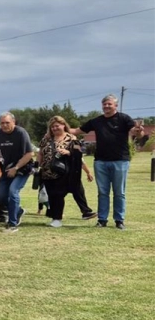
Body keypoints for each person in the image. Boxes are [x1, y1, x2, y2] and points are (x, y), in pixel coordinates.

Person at [71, 94, 144, 229]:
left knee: (119, 192)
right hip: (100, 162)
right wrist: (57, 128)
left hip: (120, 161)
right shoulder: (96, 121)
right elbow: (76, 131)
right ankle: (102, 220)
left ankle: (119, 220)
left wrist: (138, 131)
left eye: (109, 104)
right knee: (103, 192)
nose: (106, 106)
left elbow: (136, 132)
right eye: (104, 104)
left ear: (115, 105)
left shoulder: (124, 118)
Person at [0, 112, 34, 233]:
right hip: (7, 168)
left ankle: (12, 224)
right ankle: (18, 211)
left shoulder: (21, 133)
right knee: (2, 196)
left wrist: (16, 168)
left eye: (7, 123)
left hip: (22, 168)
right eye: (2, 123)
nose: (4, 125)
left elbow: (29, 153)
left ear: (13, 122)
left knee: (13, 191)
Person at [38, 116, 84, 228]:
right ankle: (54, 217)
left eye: (57, 126)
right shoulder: (46, 138)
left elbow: (79, 153)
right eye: (52, 127)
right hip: (47, 172)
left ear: (64, 125)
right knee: (51, 195)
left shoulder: (72, 138)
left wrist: (68, 152)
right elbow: (40, 153)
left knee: (58, 195)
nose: (54, 128)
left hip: (63, 171)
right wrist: (38, 164)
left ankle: (57, 219)